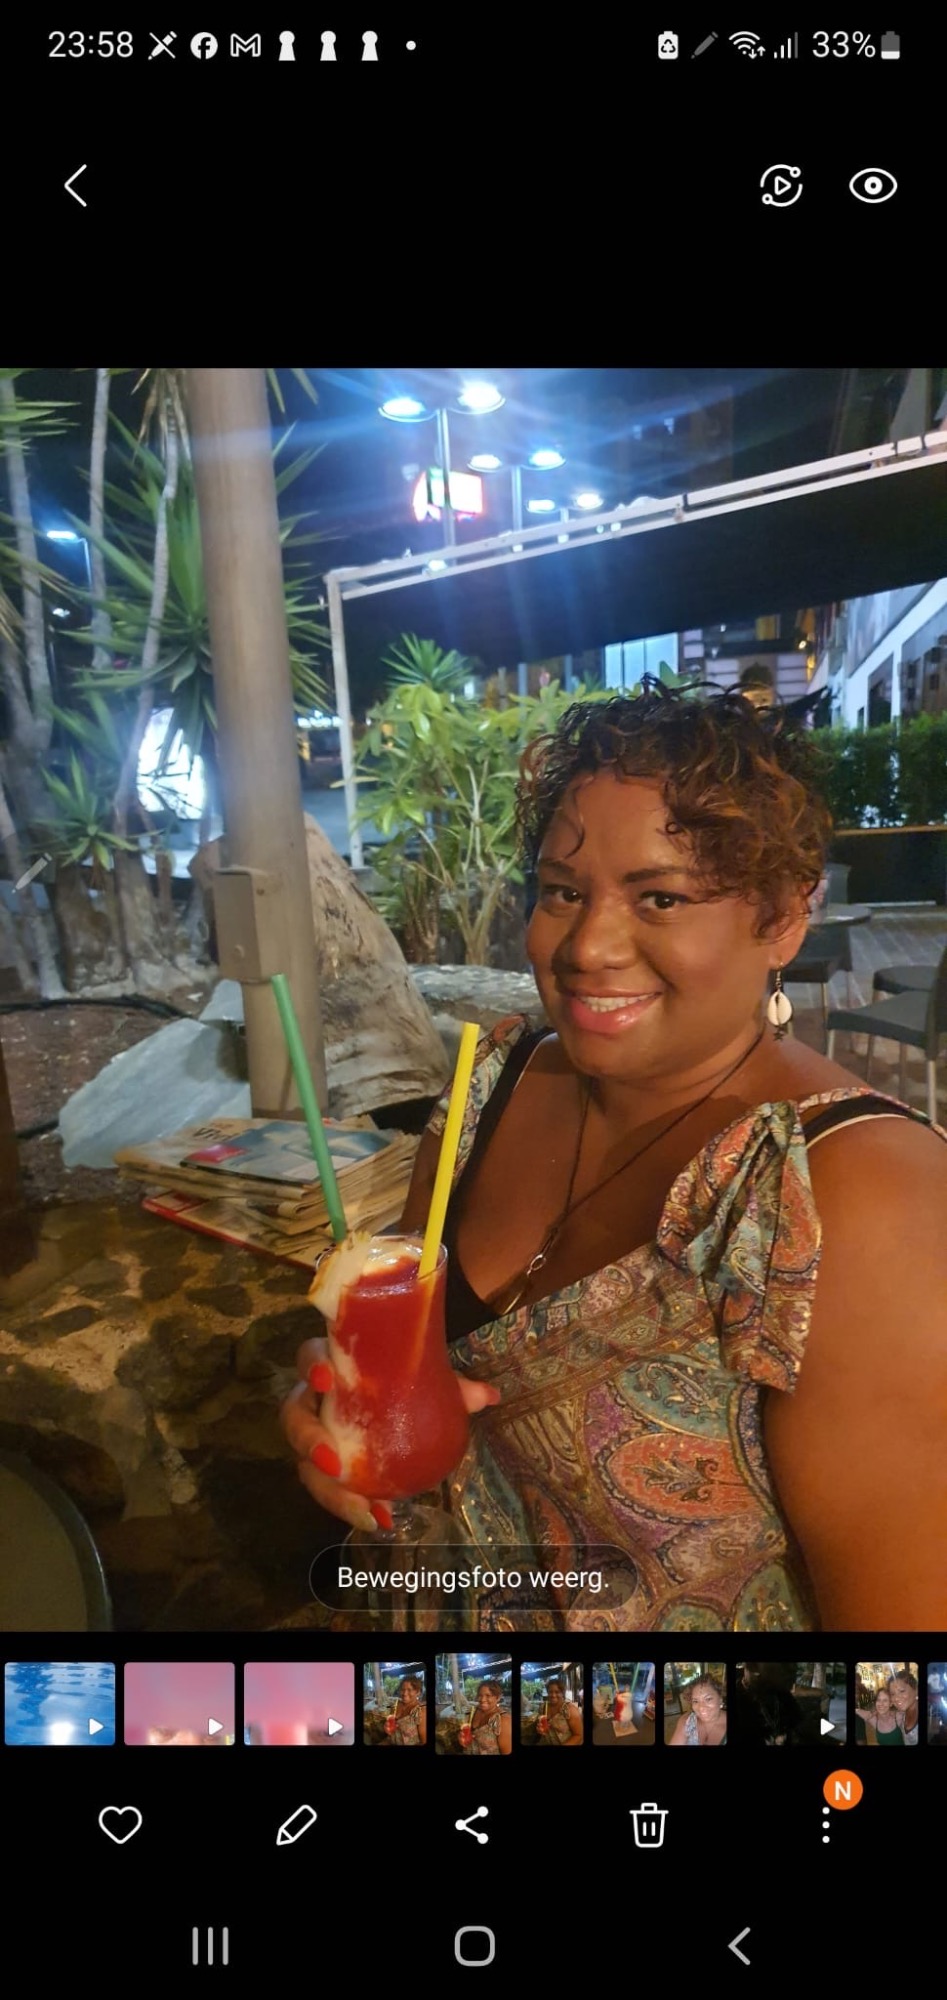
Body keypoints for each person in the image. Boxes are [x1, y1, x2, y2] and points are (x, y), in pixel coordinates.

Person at [283, 682, 947, 1631]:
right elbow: (400, 1322)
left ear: (782, 920)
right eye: (562, 891)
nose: (586, 947)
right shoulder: (493, 1081)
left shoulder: (862, 1194)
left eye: (660, 897)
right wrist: (333, 1398)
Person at [669, 1676, 727, 1745]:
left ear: (720, 1699)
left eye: (708, 1699)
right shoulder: (687, 1721)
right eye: (695, 1701)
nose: (701, 1708)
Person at [460, 1680, 512, 1756]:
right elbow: (465, 1734)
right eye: (480, 1695)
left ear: (498, 1698)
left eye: (488, 1696)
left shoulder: (504, 1721)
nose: (482, 1699)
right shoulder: (473, 1712)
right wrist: (461, 1738)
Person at [535, 1678, 583, 1746]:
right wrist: (539, 1729)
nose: (553, 1695)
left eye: (557, 1692)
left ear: (562, 1693)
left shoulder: (570, 1710)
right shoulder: (543, 1708)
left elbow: (579, 1736)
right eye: (550, 1692)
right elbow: (541, 1728)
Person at [386, 1675, 426, 1747]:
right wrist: (386, 1727)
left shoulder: (421, 1711)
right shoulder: (395, 1704)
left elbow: (424, 1742)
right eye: (402, 1689)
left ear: (418, 1692)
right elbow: (389, 1724)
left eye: (409, 1690)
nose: (404, 1693)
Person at [888, 1671, 919, 1744]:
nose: (896, 1698)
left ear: (916, 1690)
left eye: (902, 1691)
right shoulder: (902, 1714)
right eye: (892, 1694)